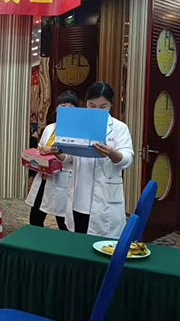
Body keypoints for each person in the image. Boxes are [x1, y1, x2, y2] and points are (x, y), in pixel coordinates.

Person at [56, 82, 134, 238]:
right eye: (92, 105)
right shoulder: (78, 125)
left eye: (103, 107)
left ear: (111, 105)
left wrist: (111, 153)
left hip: (104, 201)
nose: (97, 110)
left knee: (99, 246)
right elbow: (68, 158)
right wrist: (58, 152)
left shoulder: (119, 128)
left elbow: (127, 159)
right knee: (77, 240)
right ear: (86, 103)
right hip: (78, 197)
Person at [26, 91, 79, 230]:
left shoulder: (77, 131)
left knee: (63, 221)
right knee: (35, 217)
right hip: (44, 177)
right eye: (62, 107)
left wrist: (54, 152)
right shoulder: (50, 128)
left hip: (63, 178)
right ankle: (37, 241)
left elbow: (73, 157)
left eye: (70, 108)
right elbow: (40, 147)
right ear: (56, 109)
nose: (65, 111)